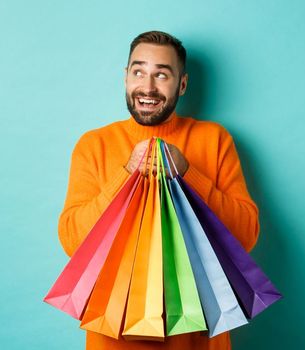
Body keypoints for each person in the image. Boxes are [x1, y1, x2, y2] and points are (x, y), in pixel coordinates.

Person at [56, 30, 259, 350]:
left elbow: (246, 235)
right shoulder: (93, 145)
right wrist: (125, 175)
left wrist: (190, 174)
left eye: (161, 75)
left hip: (199, 337)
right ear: (125, 77)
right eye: (138, 72)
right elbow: (72, 240)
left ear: (182, 84)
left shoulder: (215, 140)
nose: (147, 87)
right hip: (115, 336)